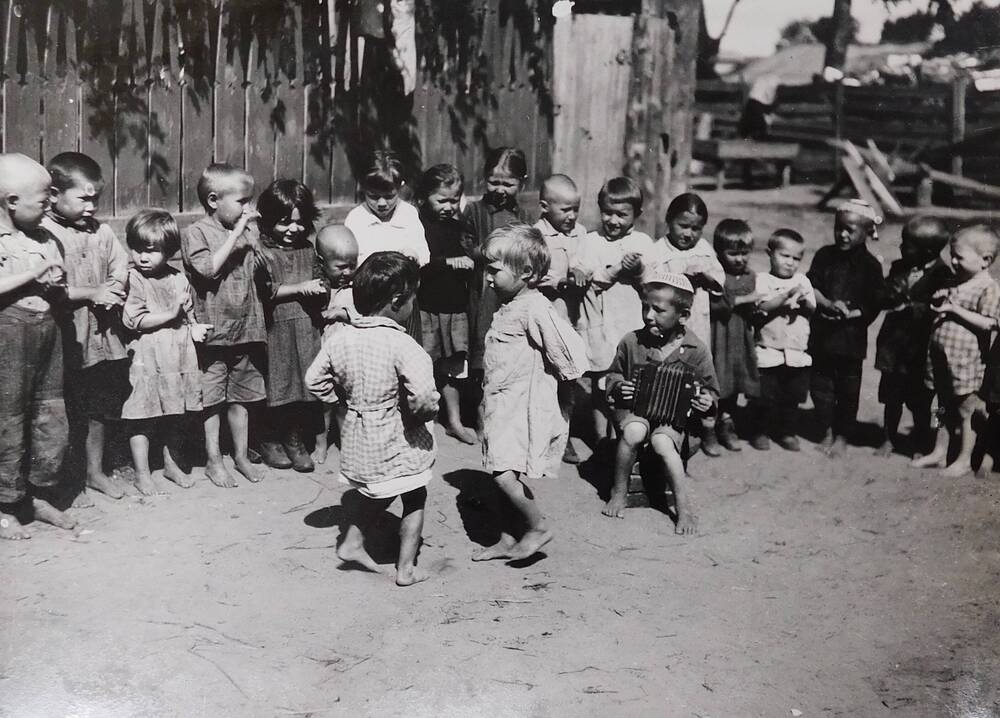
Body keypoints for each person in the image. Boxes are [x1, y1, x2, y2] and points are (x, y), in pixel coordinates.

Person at [305, 251, 437, 586]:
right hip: (398, 436)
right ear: (397, 301)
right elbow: (423, 396)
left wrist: (343, 401)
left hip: (361, 434)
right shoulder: (404, 345)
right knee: (414, 495)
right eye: (412, 299)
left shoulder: (341, 339)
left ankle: (351, 542)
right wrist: (420, 416)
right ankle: (405, 569)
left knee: (377, 487)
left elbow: (314, 380)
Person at [473, 224, 587, 562]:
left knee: (503, 474)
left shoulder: (536, 308)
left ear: (526, 272)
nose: (489, 278)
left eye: (495, 270)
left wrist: (560, 385)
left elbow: (570, 354)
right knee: (499, 472)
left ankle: (536, 526)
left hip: (520, 405)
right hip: (500, 402)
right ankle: (508, 537)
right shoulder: (510, 303)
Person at [42, 152, 129, 503]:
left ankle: (95, 472)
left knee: (97, 406)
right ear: (53, 195)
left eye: (96, 198)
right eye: (83, 198)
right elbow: (51, 289)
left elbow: (120, 267)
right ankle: (65, 479)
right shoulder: (45, 235)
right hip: (66, 338)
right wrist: (94, 292)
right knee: (64, 410)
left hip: (102, 335)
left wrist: (116, 288)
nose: (91, 206)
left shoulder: (102, 231)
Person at [604, 271, 718, 534]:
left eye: (658, 310)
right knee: (634, 431)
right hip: (635, 411)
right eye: (645, 307)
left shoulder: (696, 350)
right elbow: (613, 374)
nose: (648, 316)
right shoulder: (632, 341)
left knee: (662, 442)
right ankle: (619, 491)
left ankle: (684, 508)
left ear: (683, 315)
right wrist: (621, 387)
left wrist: (705, 402)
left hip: (673, 419)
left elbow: (712, 390)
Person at [0, 153, 76, 539]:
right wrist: (32, 274)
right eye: (43, 200)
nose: (50, 205)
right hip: (8, 338)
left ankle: (37, 493)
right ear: (11, 201)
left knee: (49, 416)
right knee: (8, 420)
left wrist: (56, 282)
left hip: (48, 332)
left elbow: (56, 282)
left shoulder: (46, 237)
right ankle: (5, 505)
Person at [181, 163, 266, 487]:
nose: (248, 208)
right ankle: (214, 459)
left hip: (246, 328)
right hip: (215, 330)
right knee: (212, 398)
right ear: (214, 199)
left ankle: (241, 455)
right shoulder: (197, 232)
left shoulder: (247, 230)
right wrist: (236, 235)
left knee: (241, 397)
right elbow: (207, 270)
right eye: (242, 201)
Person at [121, 210, 207, 494]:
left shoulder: (179, 278)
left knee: (175, 412)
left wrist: (195, 326)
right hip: (146, 355)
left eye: (151, 251)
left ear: (169, 251)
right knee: (142, 415)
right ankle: (142, 472)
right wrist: (171, 314)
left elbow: (189, 311)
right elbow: (134, 319)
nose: (142, 257)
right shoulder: (133, 279)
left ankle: (172, 464)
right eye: (137, 249)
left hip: (177, 355)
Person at [572, 177, 654, 453]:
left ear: (637, 215)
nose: (614, 221)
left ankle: (623, 435)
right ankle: (600, 440)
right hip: (600, 326)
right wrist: (618, 269)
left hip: (631, 325)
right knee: (600, 384)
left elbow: (653, 286)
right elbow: (589, 279)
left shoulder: (643, 243)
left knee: (629, 384)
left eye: (622, 215)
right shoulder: (590, 241)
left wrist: (640, 269)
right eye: (608, 213)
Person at [913, 225, 1000, 477]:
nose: (952, 261)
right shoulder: (956, 280)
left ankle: (963, 458)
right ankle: (940, 451)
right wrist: (941, 300)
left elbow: (991, 322)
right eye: (952, 255)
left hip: (965, 362)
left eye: (959, 257)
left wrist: (954, 310)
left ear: (985, 260)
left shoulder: (988, 288)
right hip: (941, 357)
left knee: (965, 410)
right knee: (940, 407)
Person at [642, 193, 724, 455]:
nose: (689, 233)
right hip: (667, 328)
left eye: (696, 228)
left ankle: (706, 425)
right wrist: (678, 276)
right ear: (669, 221)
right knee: (670, 376)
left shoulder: (704, 250)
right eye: (683, 225)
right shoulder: (657, 251)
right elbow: (650, 285)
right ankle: (667, 429)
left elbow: (718, 282)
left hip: (697, 325)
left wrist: (705, 276)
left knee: (700, 375)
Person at [255, 180, 327, 473]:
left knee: (301, 385)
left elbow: (321, 280)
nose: (293, 230)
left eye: (299, 223)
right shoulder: (261, 251)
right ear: (269, 220)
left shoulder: (308, 249)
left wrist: (322, 288)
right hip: (276, 329)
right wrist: (301, 288)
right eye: (284, 223)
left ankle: (294, 438)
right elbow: (265, 290)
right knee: (276, 384)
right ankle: (269, 439)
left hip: (304, 327)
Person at [807, 199, 885, 458]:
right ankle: (825, 429)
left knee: (847, 390)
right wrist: (827, 304)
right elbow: (811, 287)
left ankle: (842, 435)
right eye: (839, 228)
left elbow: (875, 302)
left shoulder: (871, 265)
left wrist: (853, 313)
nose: (842, 234)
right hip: (822, 333)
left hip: (851, 338)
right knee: (820, 386)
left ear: (866, 232)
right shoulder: (824, 256)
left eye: (850, 230)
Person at [461, 147, 531, 422]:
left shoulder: (524, 215)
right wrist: (492, 252)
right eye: (494, 182)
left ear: (521, 183)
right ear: (484, 179)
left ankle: (506, 409)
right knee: (482, 344)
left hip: (511, 290)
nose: (500, 189)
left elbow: (529, 249)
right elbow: (465, 246)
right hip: (481, 289)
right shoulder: (475, 211)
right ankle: (479, 411)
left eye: (508, 183)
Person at [874, 216, 951, 457]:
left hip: (920, 348)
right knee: (891, 397)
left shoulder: (942, 274)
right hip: (894, 345)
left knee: (920, 401)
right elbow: (884, 295)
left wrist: (911, 307)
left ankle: (921, 443)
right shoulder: (899, 266)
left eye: (907, 244)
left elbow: (938, 308)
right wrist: (888, 293)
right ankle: (889, 438)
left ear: (927, 251)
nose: (901, 247)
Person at [416, 164, 477, 445]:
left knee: (453, 368)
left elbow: (470, 258)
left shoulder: (459, 227)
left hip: (454, 308)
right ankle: (422, 420)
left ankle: (454, 420)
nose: (448, 206)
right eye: (441, 200)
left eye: (454, 200)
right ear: (424, 198)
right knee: (425, 365)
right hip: (427, 307)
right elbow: (420, 266)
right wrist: (449, 263)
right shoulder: (419, 226)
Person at [533, 173, 587, 463]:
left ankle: (563, 436)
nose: (572, 215)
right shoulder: (536, 235)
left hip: (571, 317)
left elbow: (584, 261)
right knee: (542, 377)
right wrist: (552, 281)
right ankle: (538, 433)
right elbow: (531, 274)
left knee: (567, 378)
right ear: (544, 206)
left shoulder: (580, 233)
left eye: (575, 209)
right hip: (545, 317)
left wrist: (579, 269)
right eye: (565, 209)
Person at [751, 229, 816, 451]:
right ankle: (760, 430)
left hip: (795, 351)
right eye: (785, 256)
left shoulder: (802, 281)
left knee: (791, 397)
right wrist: (784, 299)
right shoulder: (762, 280)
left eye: (796, 258)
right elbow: (760, 307)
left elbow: (811, 308)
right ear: (770, 254)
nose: (790, 263)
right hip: (769, 350)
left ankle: (787, 432)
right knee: (763, 395)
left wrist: (803, 300)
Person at [707, 218, 760, 452]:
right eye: (733, 253)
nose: (740, 259)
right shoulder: (715, 275)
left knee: (736, 379)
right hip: (718, 336)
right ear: (719, 252)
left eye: (744, 253)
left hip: (740, 338)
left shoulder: (751, 277)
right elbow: (714, 305)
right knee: (717, 380)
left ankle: (727, 423)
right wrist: (744, 300)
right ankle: (707, 426)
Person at [312, 224, 359, 466]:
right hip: (324, 353)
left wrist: (343, 313)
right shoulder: (319, 287)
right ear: (322, 263)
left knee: (345, 403)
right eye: (340, 267)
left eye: (352, 265)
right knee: (324, 404)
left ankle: (346, 444)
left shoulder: (357, 289)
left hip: (348, 356)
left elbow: (364, 317)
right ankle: (320, 445)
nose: (347, 272)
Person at [344, 150, 429, 267]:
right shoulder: (357, 218)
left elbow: (423, 251)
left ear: (400, 188)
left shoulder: (408, 214)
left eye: (389, 196)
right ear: (363, 188)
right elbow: (349, 258)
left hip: (405, 278)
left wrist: (414, 255)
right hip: (370, 280)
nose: (382, 203)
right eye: (374, 196)